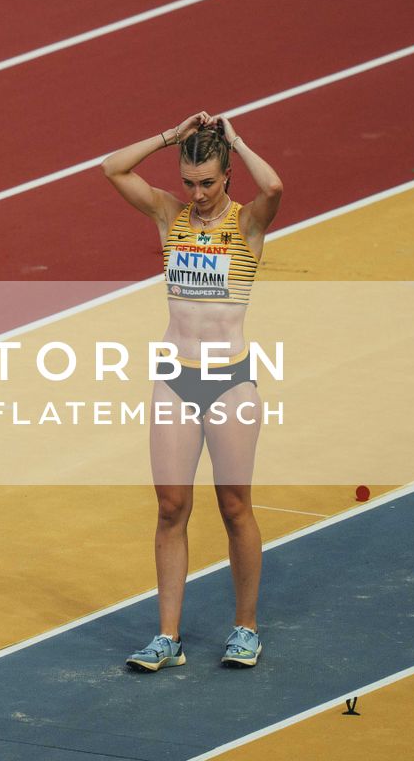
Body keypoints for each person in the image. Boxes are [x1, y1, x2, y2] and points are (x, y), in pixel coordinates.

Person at [100, 111, 283, 671]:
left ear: (228, 174)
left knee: (234, 508)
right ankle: (167, 639)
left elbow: (274, 186)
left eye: (208, 182)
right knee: (170, 508)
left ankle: (246, 628)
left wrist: (237, 138)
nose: (198, 194)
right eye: (189, 182)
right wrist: (168, 138)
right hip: (176, 379)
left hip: (230, 381)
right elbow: (112, 169)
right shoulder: (169, 215)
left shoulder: (249, 222)